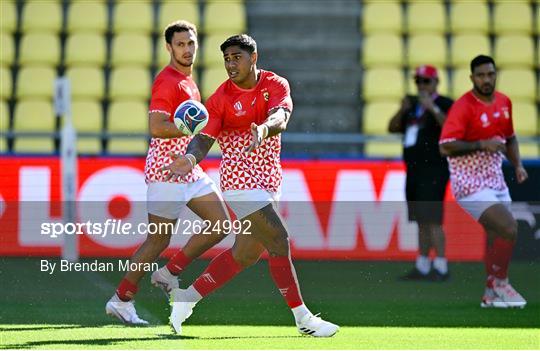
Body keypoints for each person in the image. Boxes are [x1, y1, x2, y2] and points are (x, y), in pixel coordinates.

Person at [161, 34, 339, 337]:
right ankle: (303, 319)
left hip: (268, 180)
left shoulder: (275, 84)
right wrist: (190, 159)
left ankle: (186, 299)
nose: (231, 64)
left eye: (236, 57)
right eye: (227, 59)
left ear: (253, 58)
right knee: (279, 241)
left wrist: (265, 129)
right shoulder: (220, 99)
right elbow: (205, 139)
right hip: (239, 181)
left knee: (245, 254)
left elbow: (282, 116)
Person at [105, 21, 232, 324]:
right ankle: (121, 300)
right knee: (157, 241)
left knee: (220, 224)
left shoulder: (188, 82)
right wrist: (191, 126)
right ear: (169, 48)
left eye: (190, 43)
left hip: (186, 167)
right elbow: (156, 127)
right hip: (166, 169)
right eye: (180, 44)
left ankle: (168, 272)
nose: (186, 49)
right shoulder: (169, 81)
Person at [439, 55, 528, 308]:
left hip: (495, 179)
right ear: (472, 78)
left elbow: (509, 138)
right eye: (481, 75)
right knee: (509, 228)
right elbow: (445, 147)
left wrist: (518, 165)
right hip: (468, 183)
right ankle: (502, 283)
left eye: (490, 74)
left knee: (495, 235)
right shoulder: (463, 107)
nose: (486, 80)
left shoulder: (504, 102)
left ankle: (489, 294)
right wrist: (481, 144)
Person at [388, 65, 453, 281]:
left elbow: (451, 128)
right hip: (414, 170)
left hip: (434, 169)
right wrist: (402, 108)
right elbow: (393, 127)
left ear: (436, 83)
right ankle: (423, 264)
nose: (422, 85)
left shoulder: (444, 104)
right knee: (420, 219)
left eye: (426, 81)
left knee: (433, 218)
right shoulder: (412, 106)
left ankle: (441, 266)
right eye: (419, 81)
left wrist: (432, 108)